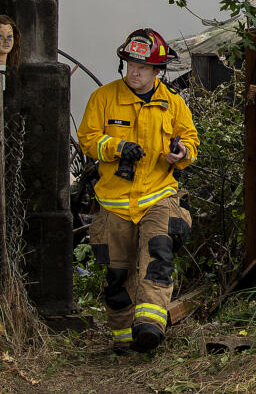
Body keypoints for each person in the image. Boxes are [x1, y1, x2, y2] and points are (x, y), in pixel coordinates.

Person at [78, 29, 199, 352]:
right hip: (114, 201)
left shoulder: (172, 104)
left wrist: (181, 153)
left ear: (157, 71)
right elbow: (88, 138)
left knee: (158, 254)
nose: (134, 72)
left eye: (142, 67)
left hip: (157, 195)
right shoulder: (104, 98)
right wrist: (116, 147)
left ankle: (150, 325)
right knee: (116, 274)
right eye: (131, 64)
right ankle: (122, 338)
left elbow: (190, 141)